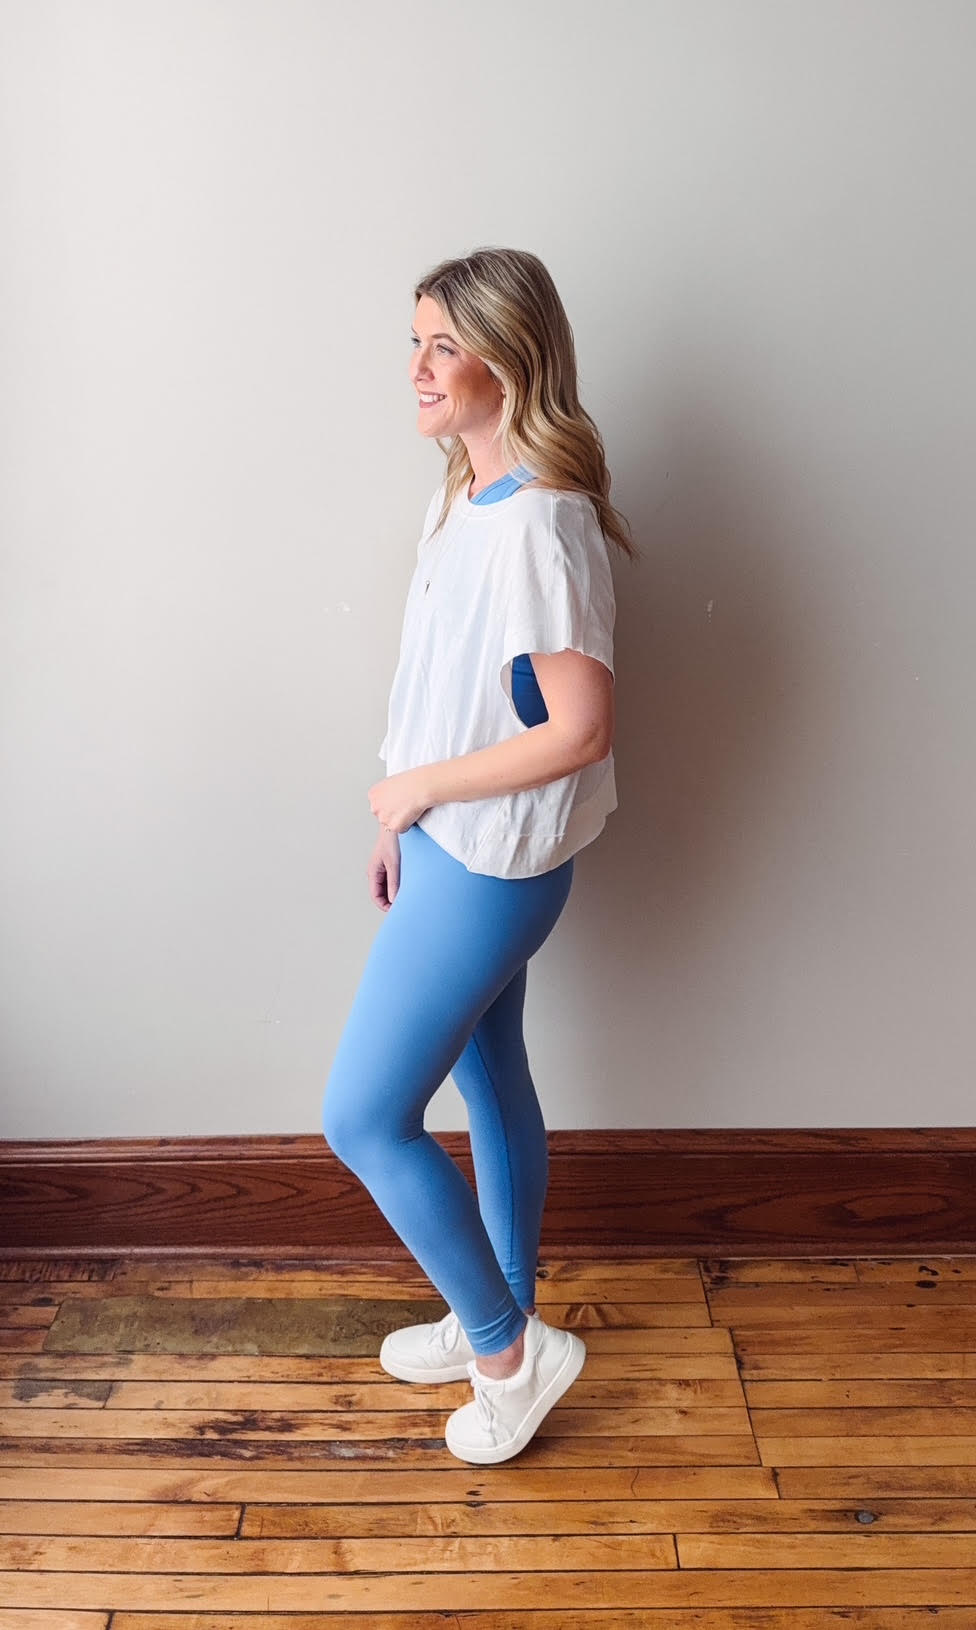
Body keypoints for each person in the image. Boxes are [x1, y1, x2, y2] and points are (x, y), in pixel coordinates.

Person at [322, 246, 636, 1466]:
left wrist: (420, 792)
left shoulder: (543, 523)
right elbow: (441, 688)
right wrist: (396, 817)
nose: (416, 367)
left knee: (364, 1115)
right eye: (414, 341)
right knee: (491, 1079)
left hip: (496, 865)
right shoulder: (462, 494)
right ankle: (492, 1305)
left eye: (442, 346)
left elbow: (581, 729)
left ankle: (509, 1350)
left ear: (508, 360)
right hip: (450, 843)